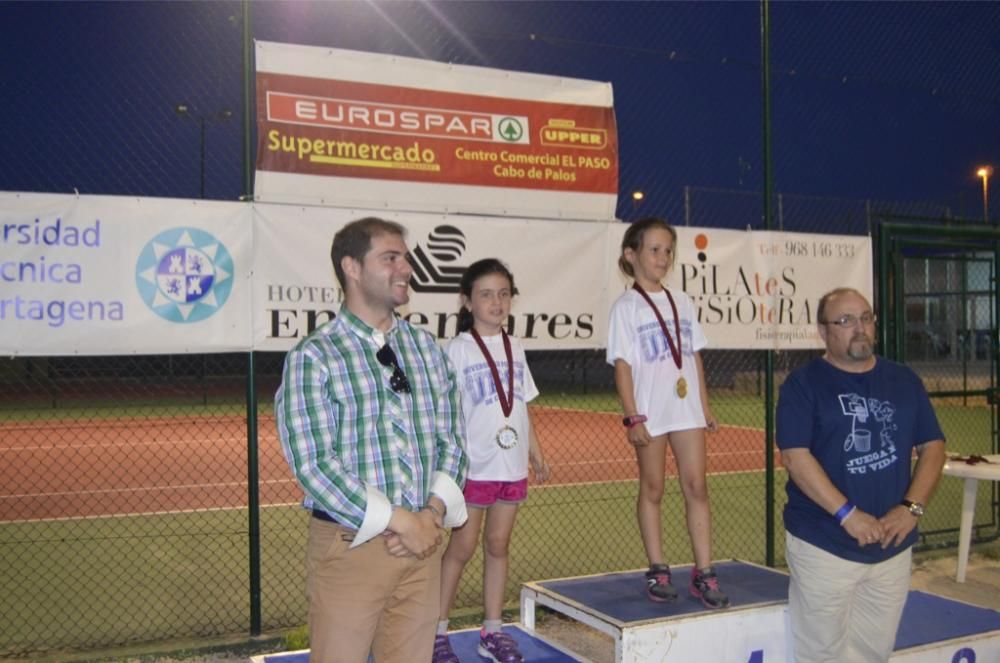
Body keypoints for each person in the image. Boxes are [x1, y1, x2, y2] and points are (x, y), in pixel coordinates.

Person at [275, 217, 469, 663]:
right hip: (350, 549)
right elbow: (313, 465)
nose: (406, 268)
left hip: (421, 547)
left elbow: (453, 442)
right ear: (353, 268)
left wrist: (431, 515)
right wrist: (402, 521)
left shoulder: (425, 349)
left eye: (406, 258)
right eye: (391, 258)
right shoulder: (315, 356)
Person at [776, 287, 946, 662]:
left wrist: (910, 509)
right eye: (845, 321)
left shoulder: (904, 380)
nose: (859, 328)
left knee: (874, 653)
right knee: (821, 655)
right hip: (824, 546)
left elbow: (933, 447)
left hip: (891, 548)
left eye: (865, 318)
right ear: (823, 332)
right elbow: (795, 457)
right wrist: (848, 515)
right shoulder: (803, 385)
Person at [606, 217, 729, 609]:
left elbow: (693, 357)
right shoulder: (626, 307)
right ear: (632, 254)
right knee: (653, 487)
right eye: (654, 249)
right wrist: (632, 415)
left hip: (686, 408)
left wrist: (704, 406)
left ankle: (704, 572)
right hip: (651, 412)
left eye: (668, 251)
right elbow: (623, 364)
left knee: (697, 486)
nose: (663, 257)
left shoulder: (683, 302)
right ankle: (658, 568)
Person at [433, 258, 550, 663]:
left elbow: (520, 404)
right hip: (476, 468)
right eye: (486, 294)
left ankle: (492, 631)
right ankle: (436, 631)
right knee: (461, 549)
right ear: (467, 301)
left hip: (511, 465)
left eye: (504, 294)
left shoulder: (516, 346)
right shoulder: (458, 350)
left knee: (498, 546)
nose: (497, 302)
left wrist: (534, 450)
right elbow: (447, 413)